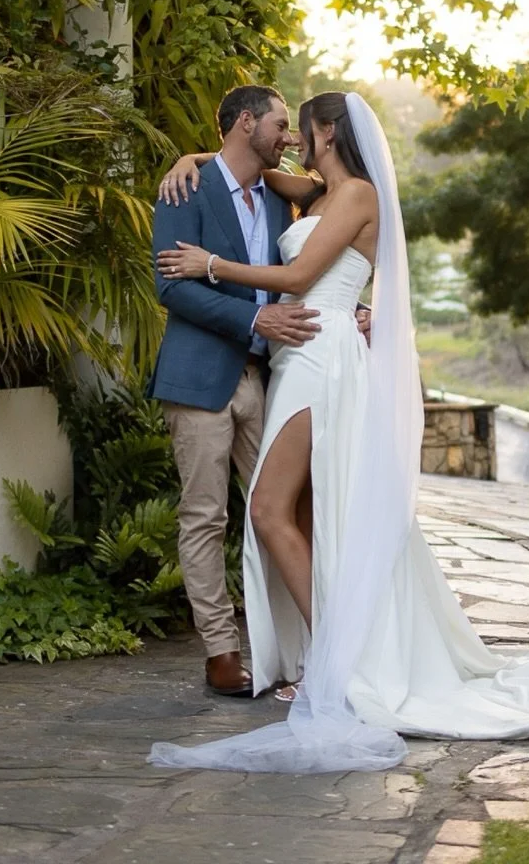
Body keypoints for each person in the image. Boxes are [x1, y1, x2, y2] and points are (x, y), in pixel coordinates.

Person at [148, 92, 529, 775]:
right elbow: (241, 167)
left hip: (320, 357)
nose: (289, 137)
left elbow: (298, 276)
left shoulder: (354, 197)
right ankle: (325, 655)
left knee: (267, 509)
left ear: (324, 131)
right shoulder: (317, 189)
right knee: (308, 511)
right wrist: (188, 156)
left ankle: (336, 663)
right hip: (298, 359)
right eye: (278, 123)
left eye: (299, 126)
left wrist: (213, 266)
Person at [148, 84, 325, 699]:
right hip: (200, 377)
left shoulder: (279, 195)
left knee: (281, 514)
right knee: (205, 517)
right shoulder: (184, 188)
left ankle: (296, 650)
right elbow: (172, 287)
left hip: (268, 379)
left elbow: (340, 198)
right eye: (280, 125)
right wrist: (253, 320)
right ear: (245, 121)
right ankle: (222, 651)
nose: (289, 138)